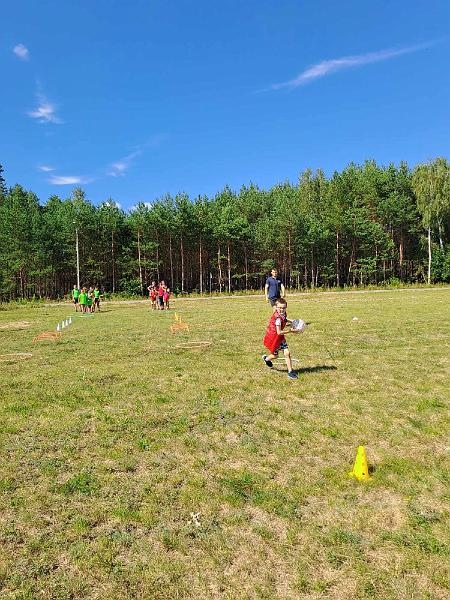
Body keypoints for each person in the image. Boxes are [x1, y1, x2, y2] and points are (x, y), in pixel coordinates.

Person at [262, 297, 298, 379]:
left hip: (280, 338)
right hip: (275, 338)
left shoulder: (283, 314)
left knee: (287, 353)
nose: (282, 309)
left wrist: (292, 321)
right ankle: (266, 359)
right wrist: (290, 331)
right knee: (275, 356)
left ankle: (290, 372)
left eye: (284, 308)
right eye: (280, 308)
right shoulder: (277, 319)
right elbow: (279, 332)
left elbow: (284, 319)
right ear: (276, 307)